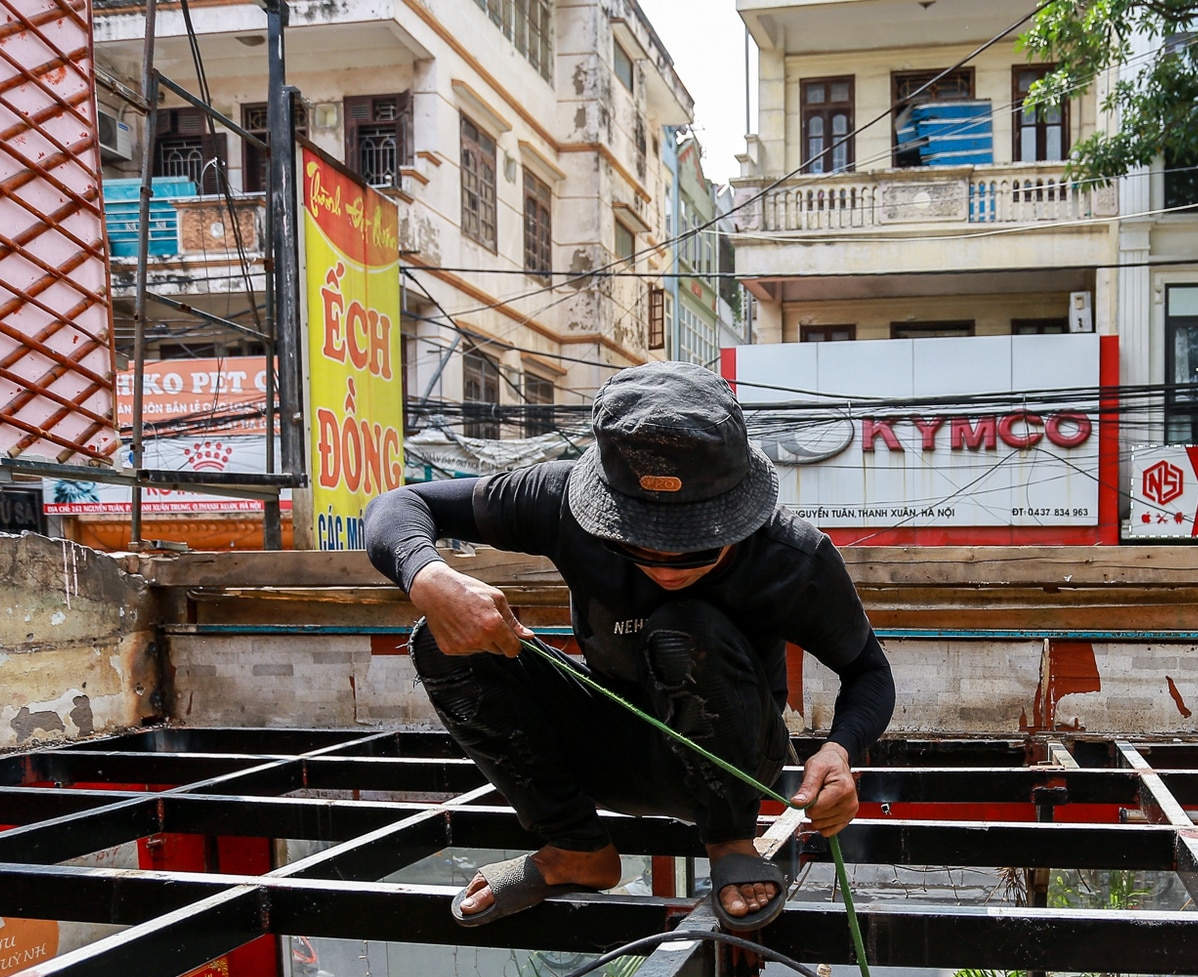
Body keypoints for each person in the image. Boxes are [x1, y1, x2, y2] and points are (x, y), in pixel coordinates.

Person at [364, 361, 894, 930]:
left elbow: (868, 672)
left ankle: (729, 840)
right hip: (607, 750)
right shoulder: (558, 497)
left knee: (683, 628)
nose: (666, 569)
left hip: (733, 760)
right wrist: (429, 578)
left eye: (693, 549)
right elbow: (395, 506)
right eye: (639, 546)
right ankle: (575, 845)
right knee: (442, 644)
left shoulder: (792, 556)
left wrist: (839, 752)